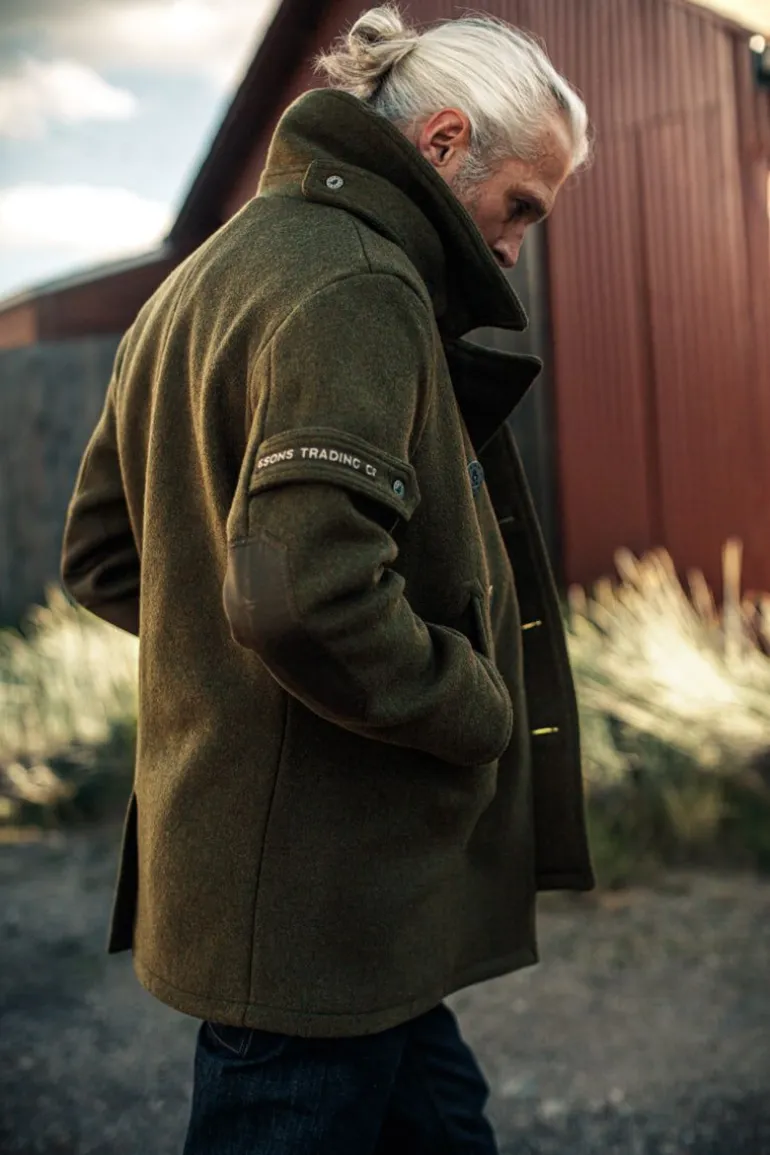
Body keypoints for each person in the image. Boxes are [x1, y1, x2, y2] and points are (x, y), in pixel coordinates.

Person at [61, 5, 594, 1152]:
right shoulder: (358, 286)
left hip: (352, 903)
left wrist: (234, 652)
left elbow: (104, 554)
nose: (513, 248)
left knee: (443, 1127)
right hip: (315, 905)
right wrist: (473, 704)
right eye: (519, 208)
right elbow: (308, 594)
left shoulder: (196, 282)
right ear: (444, 141)